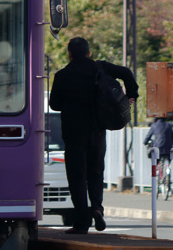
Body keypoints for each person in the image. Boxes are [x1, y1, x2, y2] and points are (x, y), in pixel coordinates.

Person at [48, 37, 138, 234]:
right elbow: (125, 72)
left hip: (73, 133)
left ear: (69, 54)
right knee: (96, 172)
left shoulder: (62, 75)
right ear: (88, 53)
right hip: (97, 129)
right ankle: (97, 207)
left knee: (77, 177)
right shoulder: (99, 68)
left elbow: (54, 104)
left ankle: (82, 222)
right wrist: (132, 95)